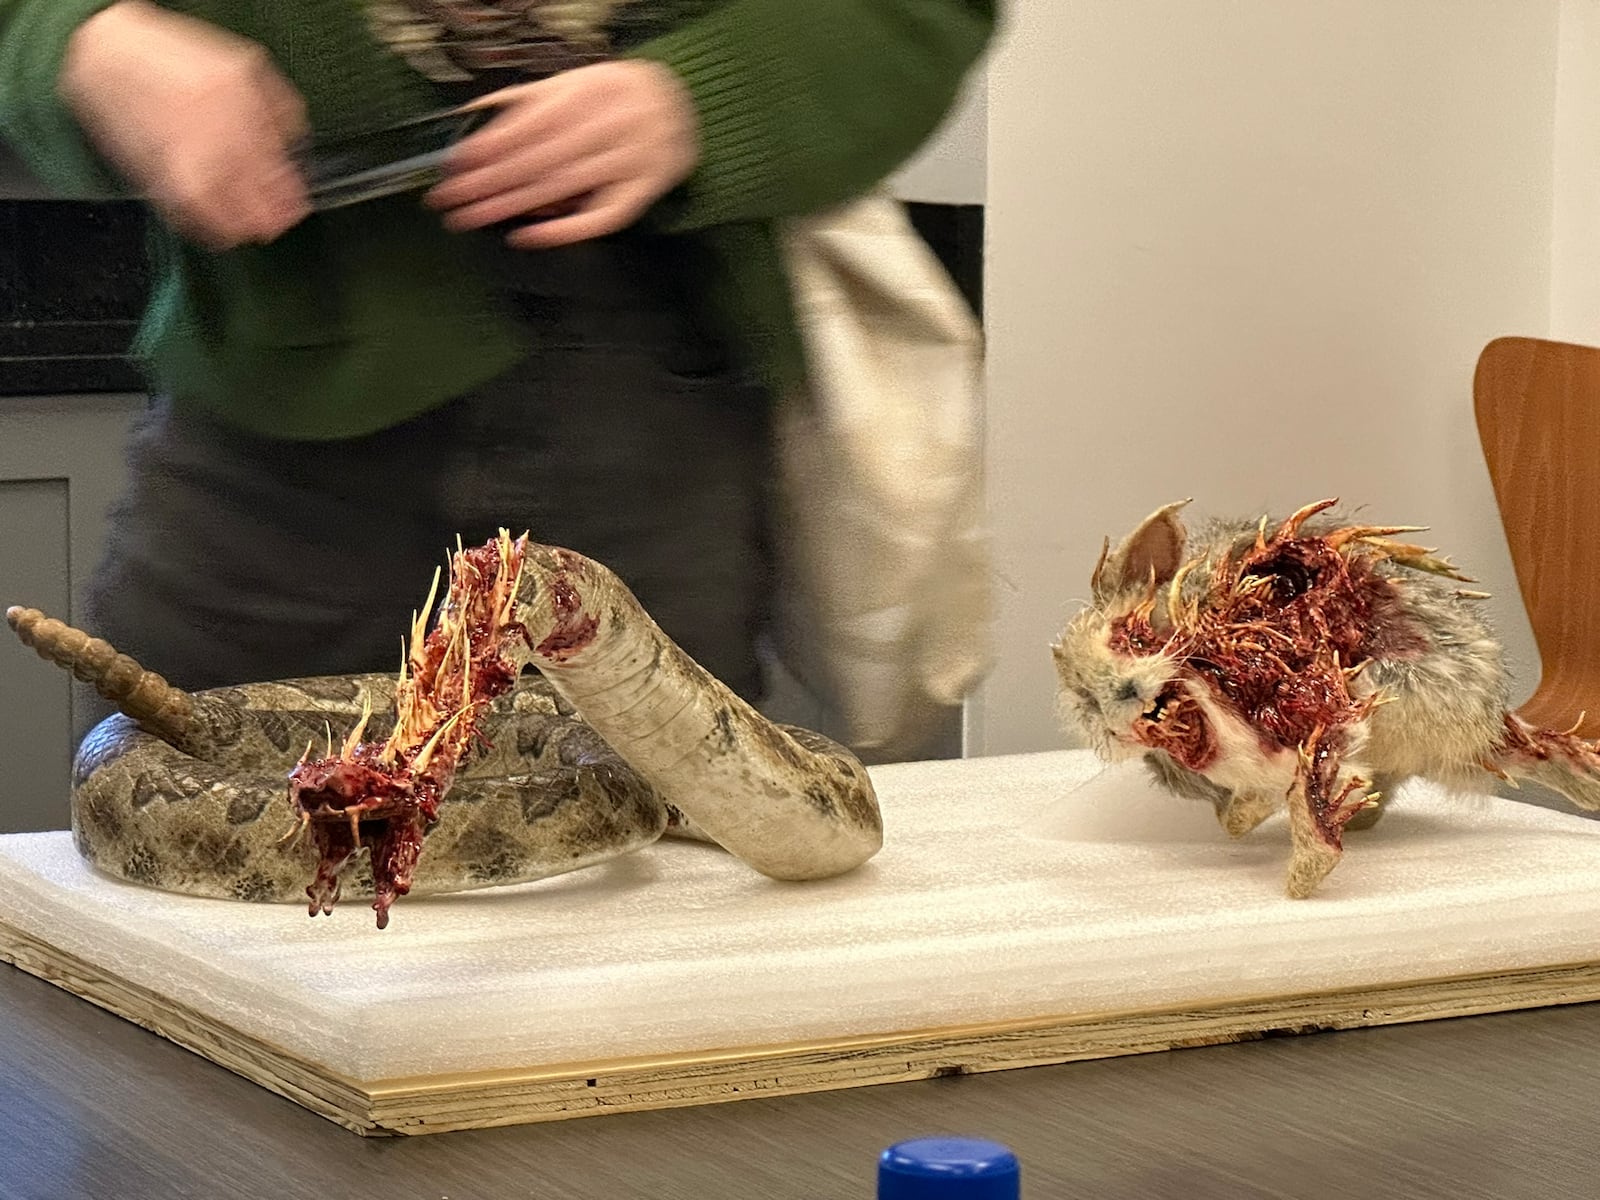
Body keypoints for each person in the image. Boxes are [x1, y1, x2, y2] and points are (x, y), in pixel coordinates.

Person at [0, 0, 994, 715]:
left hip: (655, 407)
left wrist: (706, 98)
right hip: (269, 429)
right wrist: (82, 40)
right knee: (180, 918)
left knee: (644, 947)